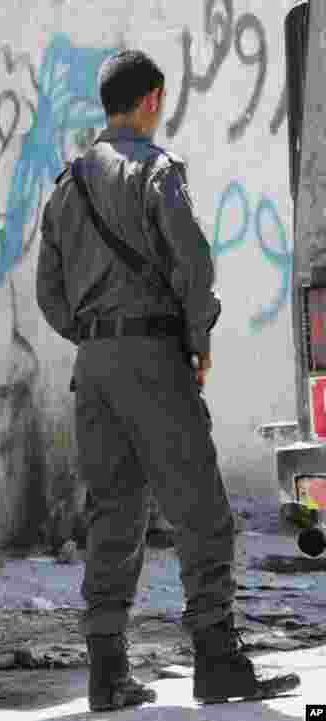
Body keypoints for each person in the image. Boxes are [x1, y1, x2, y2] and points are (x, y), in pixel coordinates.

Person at [36, 50, 301, 711]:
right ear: (152, 99)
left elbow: (48, 291)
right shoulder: (155, 171)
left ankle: (108, 673)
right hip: (153, 359)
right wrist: (198, 339)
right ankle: (217, 659)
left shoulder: (66, 186)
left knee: (113, 516)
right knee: (202, 511)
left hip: (92, 371)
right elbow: (194, 263)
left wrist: (94, 340)